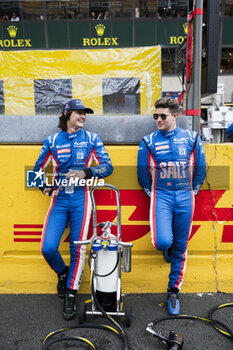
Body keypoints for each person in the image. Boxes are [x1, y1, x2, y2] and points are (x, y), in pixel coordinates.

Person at [33, 99, 113, 320]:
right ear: (67, 114)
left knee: (77, 249)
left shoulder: (91, 138)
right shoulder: (51, 140)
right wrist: (45, 187)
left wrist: (86, 172)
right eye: (80, 113)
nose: (84, 116)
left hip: (81, 199)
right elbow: (35, 171)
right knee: (48, 248)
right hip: (59, 200)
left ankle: (71, 292)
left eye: (85, 114)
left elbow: (108, 166)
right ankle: (62, 273)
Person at [137, 97, 206, 316]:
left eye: (163, 116)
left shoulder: (192, 138)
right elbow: (142, 174)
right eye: (155, 115)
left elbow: (200, 168)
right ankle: (168, 248)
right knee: (162, 241)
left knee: (181, 247)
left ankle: (173, 291)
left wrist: (193, 190)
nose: (158, 119)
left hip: (186, 196)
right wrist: (153, 192)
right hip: (162, 197)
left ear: (175, 116)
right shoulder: (147, 140)